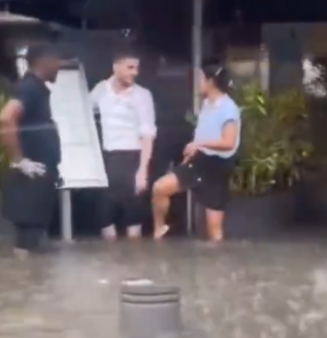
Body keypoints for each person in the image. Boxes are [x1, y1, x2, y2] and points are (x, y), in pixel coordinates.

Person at [151, 65, 240, 243]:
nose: (199, 83)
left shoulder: (229, 109)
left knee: (214, 231)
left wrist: (199, 143)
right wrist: (191, 152)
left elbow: (228, 143)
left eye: (201, 79)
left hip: (217, 167)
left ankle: (218, 264)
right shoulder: (207, 103)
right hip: (198, 160)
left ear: (211, 82)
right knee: (160, 188)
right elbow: (203, 131)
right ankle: (158, 227)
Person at [0, 43, 62, 258]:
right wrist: (19, 160)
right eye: (58, 62)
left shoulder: (37, 88)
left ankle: (30, 286)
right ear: (46, 61)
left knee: (32, 239)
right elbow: (6, 118)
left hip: (39, 173)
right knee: (26, 240)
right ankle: (22, 282)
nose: (60, 67)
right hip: (30, 175)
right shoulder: (29, 87)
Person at [90, 47, 156, 241]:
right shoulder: (101, 89)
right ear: (116, 67)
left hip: (133, 157)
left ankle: (134, 262)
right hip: (107, 158)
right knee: (105, 213)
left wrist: (142, 170)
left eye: (136, 68)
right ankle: (111, 264)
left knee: (133, 214)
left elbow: (148, 135)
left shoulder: (143, 95)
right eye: (129, 67)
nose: (134, 72)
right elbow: (85, 110)